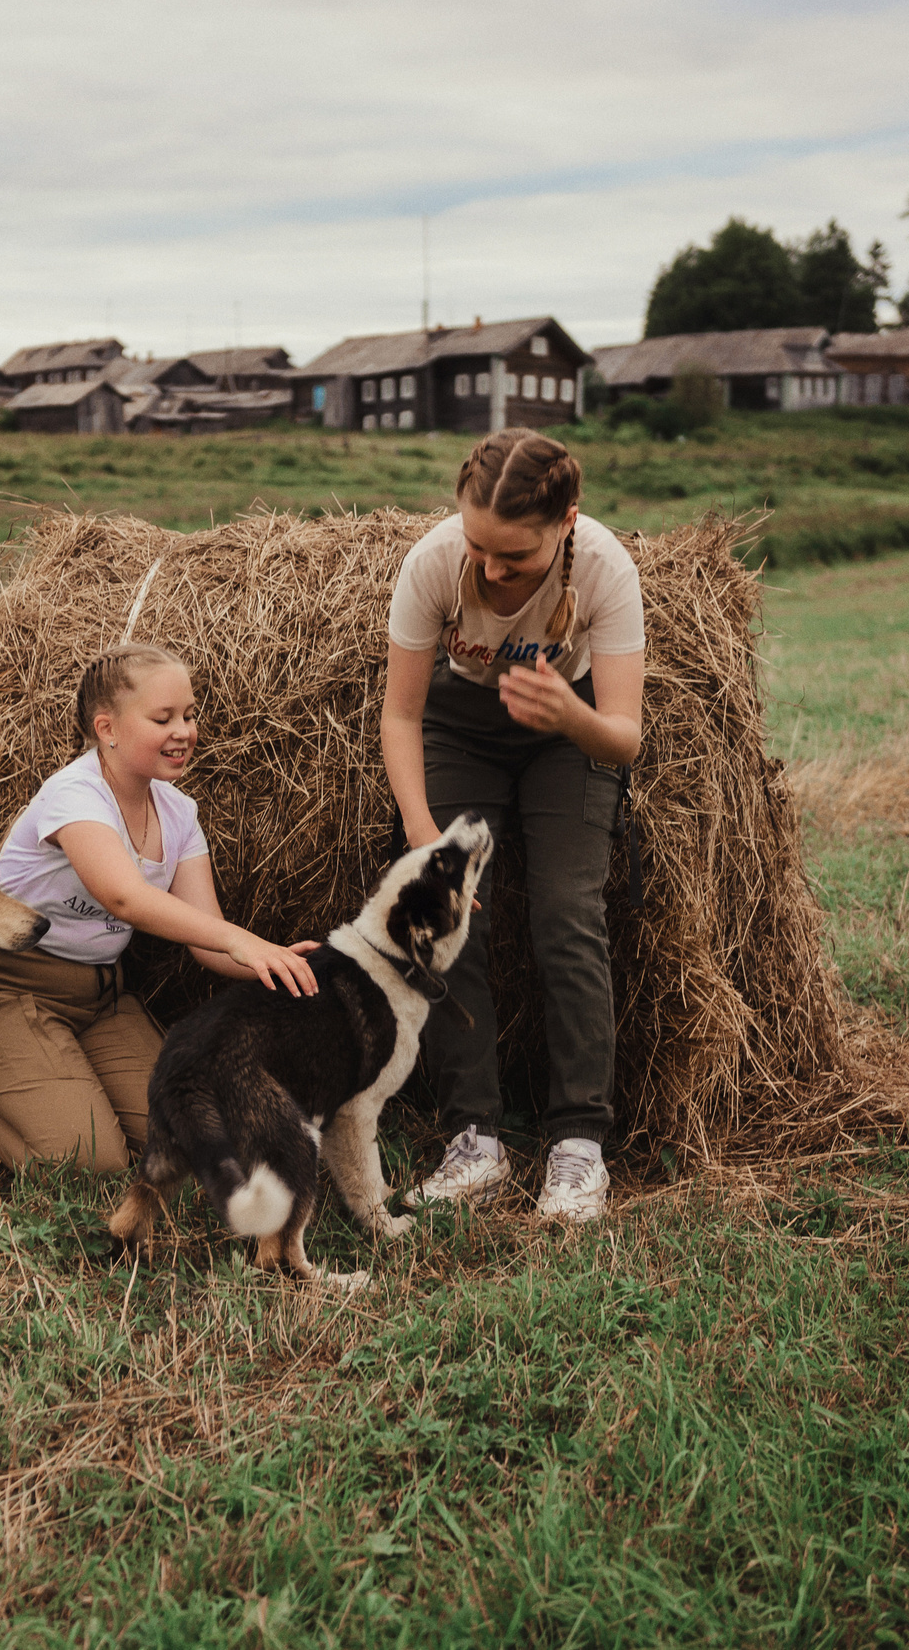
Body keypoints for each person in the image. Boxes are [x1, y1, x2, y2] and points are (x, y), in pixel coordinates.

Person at [0, 643, 320, 1180]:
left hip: (101, 999)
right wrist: (239, 939)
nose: (183, 730)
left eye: (189, 714)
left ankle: (61, 1086)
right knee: (87, 1162)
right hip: (5, 986)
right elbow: (123, 897)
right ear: (107, 727)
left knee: (185, 1140)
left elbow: (205, 939)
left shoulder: (180, 814)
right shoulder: (74, 793)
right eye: (164, 717)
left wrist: (276, 964)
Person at [380, 428, 645, 1223]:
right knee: (446, 905)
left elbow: (624, 734)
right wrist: (425, 832)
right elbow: (402, 715)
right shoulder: (431, 565)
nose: (492, 571)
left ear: (568, 521)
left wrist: (572, 713)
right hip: (462, 728)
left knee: (566, 909)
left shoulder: (605, 569)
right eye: (479, 548)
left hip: (571, 731)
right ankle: (475, 1138)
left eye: (515, 558)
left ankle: (577, 1144)